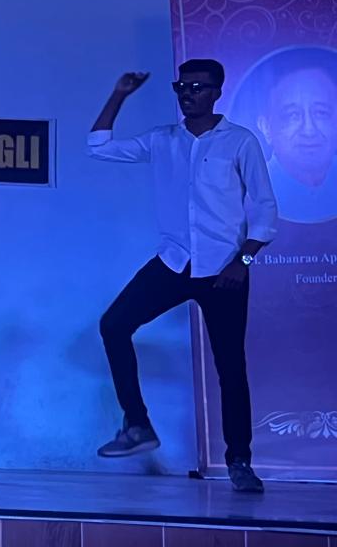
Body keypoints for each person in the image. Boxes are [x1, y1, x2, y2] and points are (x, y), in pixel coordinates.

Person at [88, 59, 277, 493]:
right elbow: (98, 146)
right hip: (175, 262)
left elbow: (266, 209)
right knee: (114, 325)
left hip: (224, 268)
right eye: (182, 86)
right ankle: (137, 425)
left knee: (230, 367)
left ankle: (240, 461)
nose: (188, 94)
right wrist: (119, 94)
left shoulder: (240, 141)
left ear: (216, 92)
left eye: (198, 87)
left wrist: (243, 262)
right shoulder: (162, 140)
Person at [254, 51, 337, 224]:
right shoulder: (249, 191)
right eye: (292, 115)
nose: (309, 131)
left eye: (321, 113)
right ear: (266, 128)